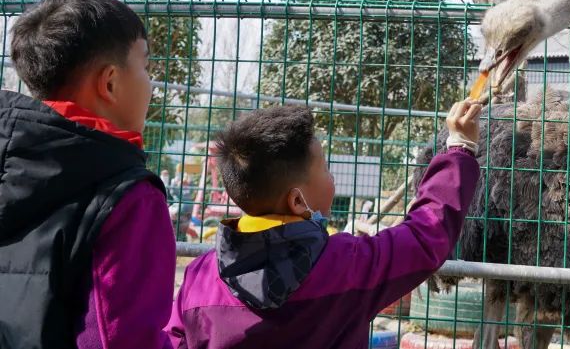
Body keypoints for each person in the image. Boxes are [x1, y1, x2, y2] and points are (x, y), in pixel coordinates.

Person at [166, 101, 482, 348]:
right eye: (326, 168)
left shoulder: (199, 278)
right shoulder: (349, 265)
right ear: (297, 201)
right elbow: (426, 234)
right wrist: (459, 149)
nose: (331, 179)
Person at [0, 0, 174, 349]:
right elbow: (121, 338)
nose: (151, 84)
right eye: (145, 66)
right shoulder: (131, 199)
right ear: (109, 82)